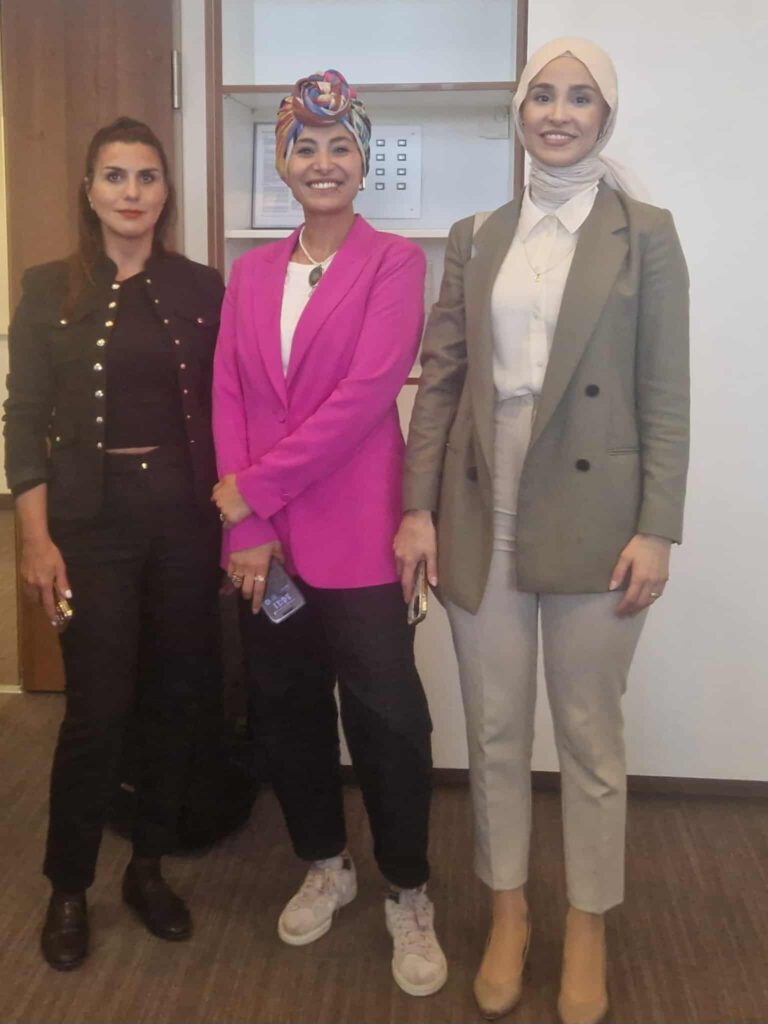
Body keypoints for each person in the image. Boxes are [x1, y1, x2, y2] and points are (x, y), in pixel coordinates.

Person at [394, 38, 689, 1024]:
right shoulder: (477, 233)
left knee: (590, 732)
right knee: (495, 727)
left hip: (599, 518)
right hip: (484, 507)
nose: (558, 113)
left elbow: (665, 392)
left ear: (606, 115)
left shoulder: (646, 234)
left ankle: (589, 919)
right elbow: (441, 378)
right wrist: (418, 507)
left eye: (580, 97)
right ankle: (509, 910)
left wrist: (658, 527)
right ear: (519, 113)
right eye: (542, 96)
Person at [211, 70, 447, 998]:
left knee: (388, 719)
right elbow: (231, 395)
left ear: (364, 161)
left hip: (358, 536)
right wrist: (248, 526)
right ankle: (325, 862)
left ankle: (408, 888)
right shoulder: (250, 273)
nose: (322, 162)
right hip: (266, 545)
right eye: (304, 147)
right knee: (286, 706)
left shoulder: (395, 264)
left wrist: (250, 490)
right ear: (281, 163)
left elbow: (364, 398)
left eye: (340, 146)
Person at [4, 118, 225, 970]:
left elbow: (233, 405)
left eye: (146, 176)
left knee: (174, 699)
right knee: (97, 710)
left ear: (166, 192)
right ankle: (68, 886)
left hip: (183, 523)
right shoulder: (46, 287)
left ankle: (147, 868)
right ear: (89, 191)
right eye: (115, 176)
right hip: (89, 529)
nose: (132, 192)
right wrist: (33, 539)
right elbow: (23, 418)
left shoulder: (202, 287)